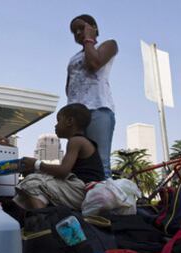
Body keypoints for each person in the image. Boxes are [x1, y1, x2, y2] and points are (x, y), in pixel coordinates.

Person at [13, 104, 104, 210]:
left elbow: (63, 171)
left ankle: (42, 219)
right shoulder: (82, 141)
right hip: (85, 190)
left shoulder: (76, 141)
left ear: (69, 121)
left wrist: (36, 164)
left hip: (82, 191)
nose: (55, 126)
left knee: (31, 183)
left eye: (58, 120)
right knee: (35, 184)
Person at [66, 14, 118, 179]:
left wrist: (89, 39)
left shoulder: (109, 44)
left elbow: (94, 64)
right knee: (76, 163)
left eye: (82, 28)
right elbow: (69, 87)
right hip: (76, 115)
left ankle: (106, 202)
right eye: (75, 31)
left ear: (94, 27)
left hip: (98, 109)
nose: (78, 33)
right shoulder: (73, 58)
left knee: (100, 162)